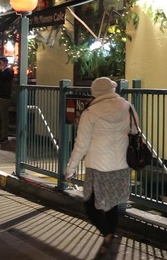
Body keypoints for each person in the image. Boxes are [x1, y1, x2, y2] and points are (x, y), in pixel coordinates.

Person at [65, 77, 139, 257]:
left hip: (97, 166)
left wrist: (70, 169)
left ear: (95, 92)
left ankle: (106, 233)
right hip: (120, 164)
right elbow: (135, 131)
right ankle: (110, 232)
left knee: (89, 204)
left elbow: (81, 144)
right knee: (113, 204)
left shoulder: (90, 112)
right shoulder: (128, 107)